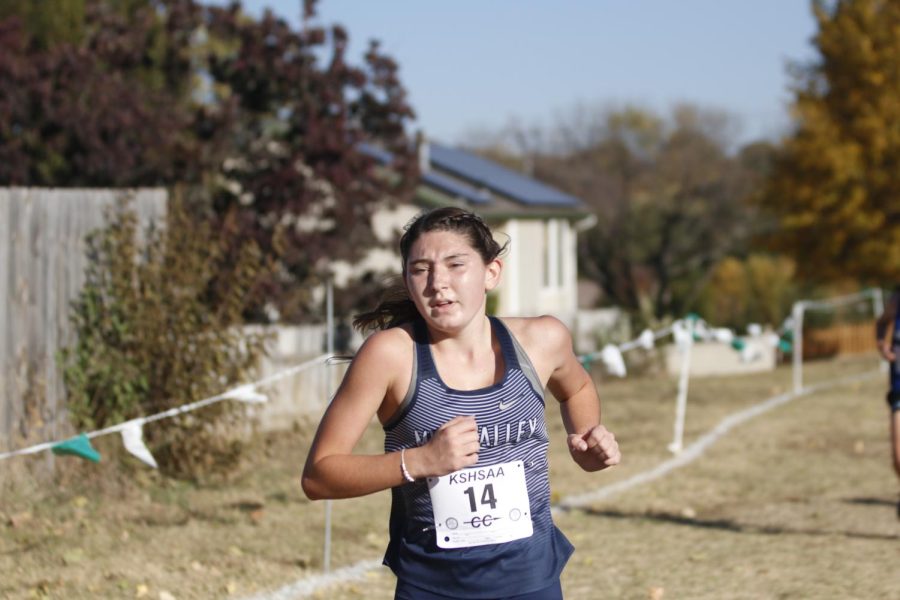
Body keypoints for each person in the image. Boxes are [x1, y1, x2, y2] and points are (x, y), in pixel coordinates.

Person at [302, 207, 621, 599]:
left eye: (456, 264)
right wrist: (419, 461)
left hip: (532, 580)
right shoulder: (390, 356)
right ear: (407, 279)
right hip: (433, 586)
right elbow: (318, 476)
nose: (438, 283)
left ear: (492, 273)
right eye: (421, 269)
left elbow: (577, 389)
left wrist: (585, 439)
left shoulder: (542, 339)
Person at [875, 286, 900, 518]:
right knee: (898, 456)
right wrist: (882, 345)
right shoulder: (897, 297)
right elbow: (881, 323)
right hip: (899, 387)